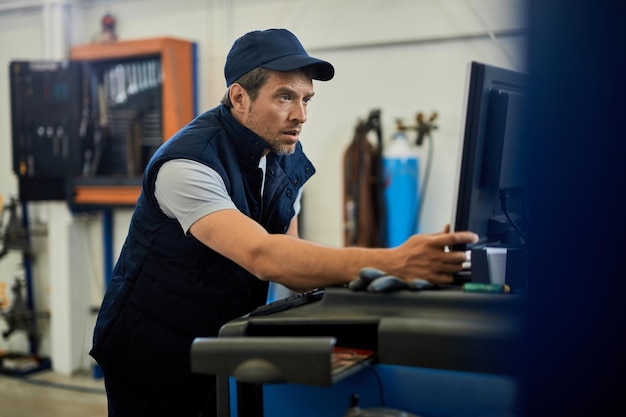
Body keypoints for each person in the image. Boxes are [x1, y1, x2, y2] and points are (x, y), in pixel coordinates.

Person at [89, 28, 478, 417]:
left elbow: (291, 257)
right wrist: (395, 261)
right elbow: (263, 255)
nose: (301, 115)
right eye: (285, 97)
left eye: (306, 99)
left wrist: (381, 280)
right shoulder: (187, 165)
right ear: (239, 97)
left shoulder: (284, 150)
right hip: (153, 353)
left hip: (221, 341)